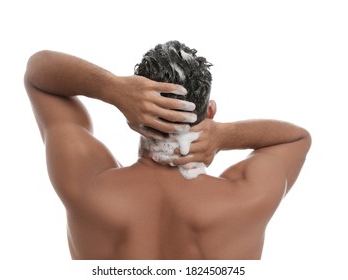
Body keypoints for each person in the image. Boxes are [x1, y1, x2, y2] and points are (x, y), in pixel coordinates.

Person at [24, 41, 311, 260]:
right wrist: (225, 135)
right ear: (209, 111)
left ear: (134, 119)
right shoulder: (245, 199)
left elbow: (38, 73)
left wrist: (113, 89)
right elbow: (297, 138)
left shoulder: (87, 186)